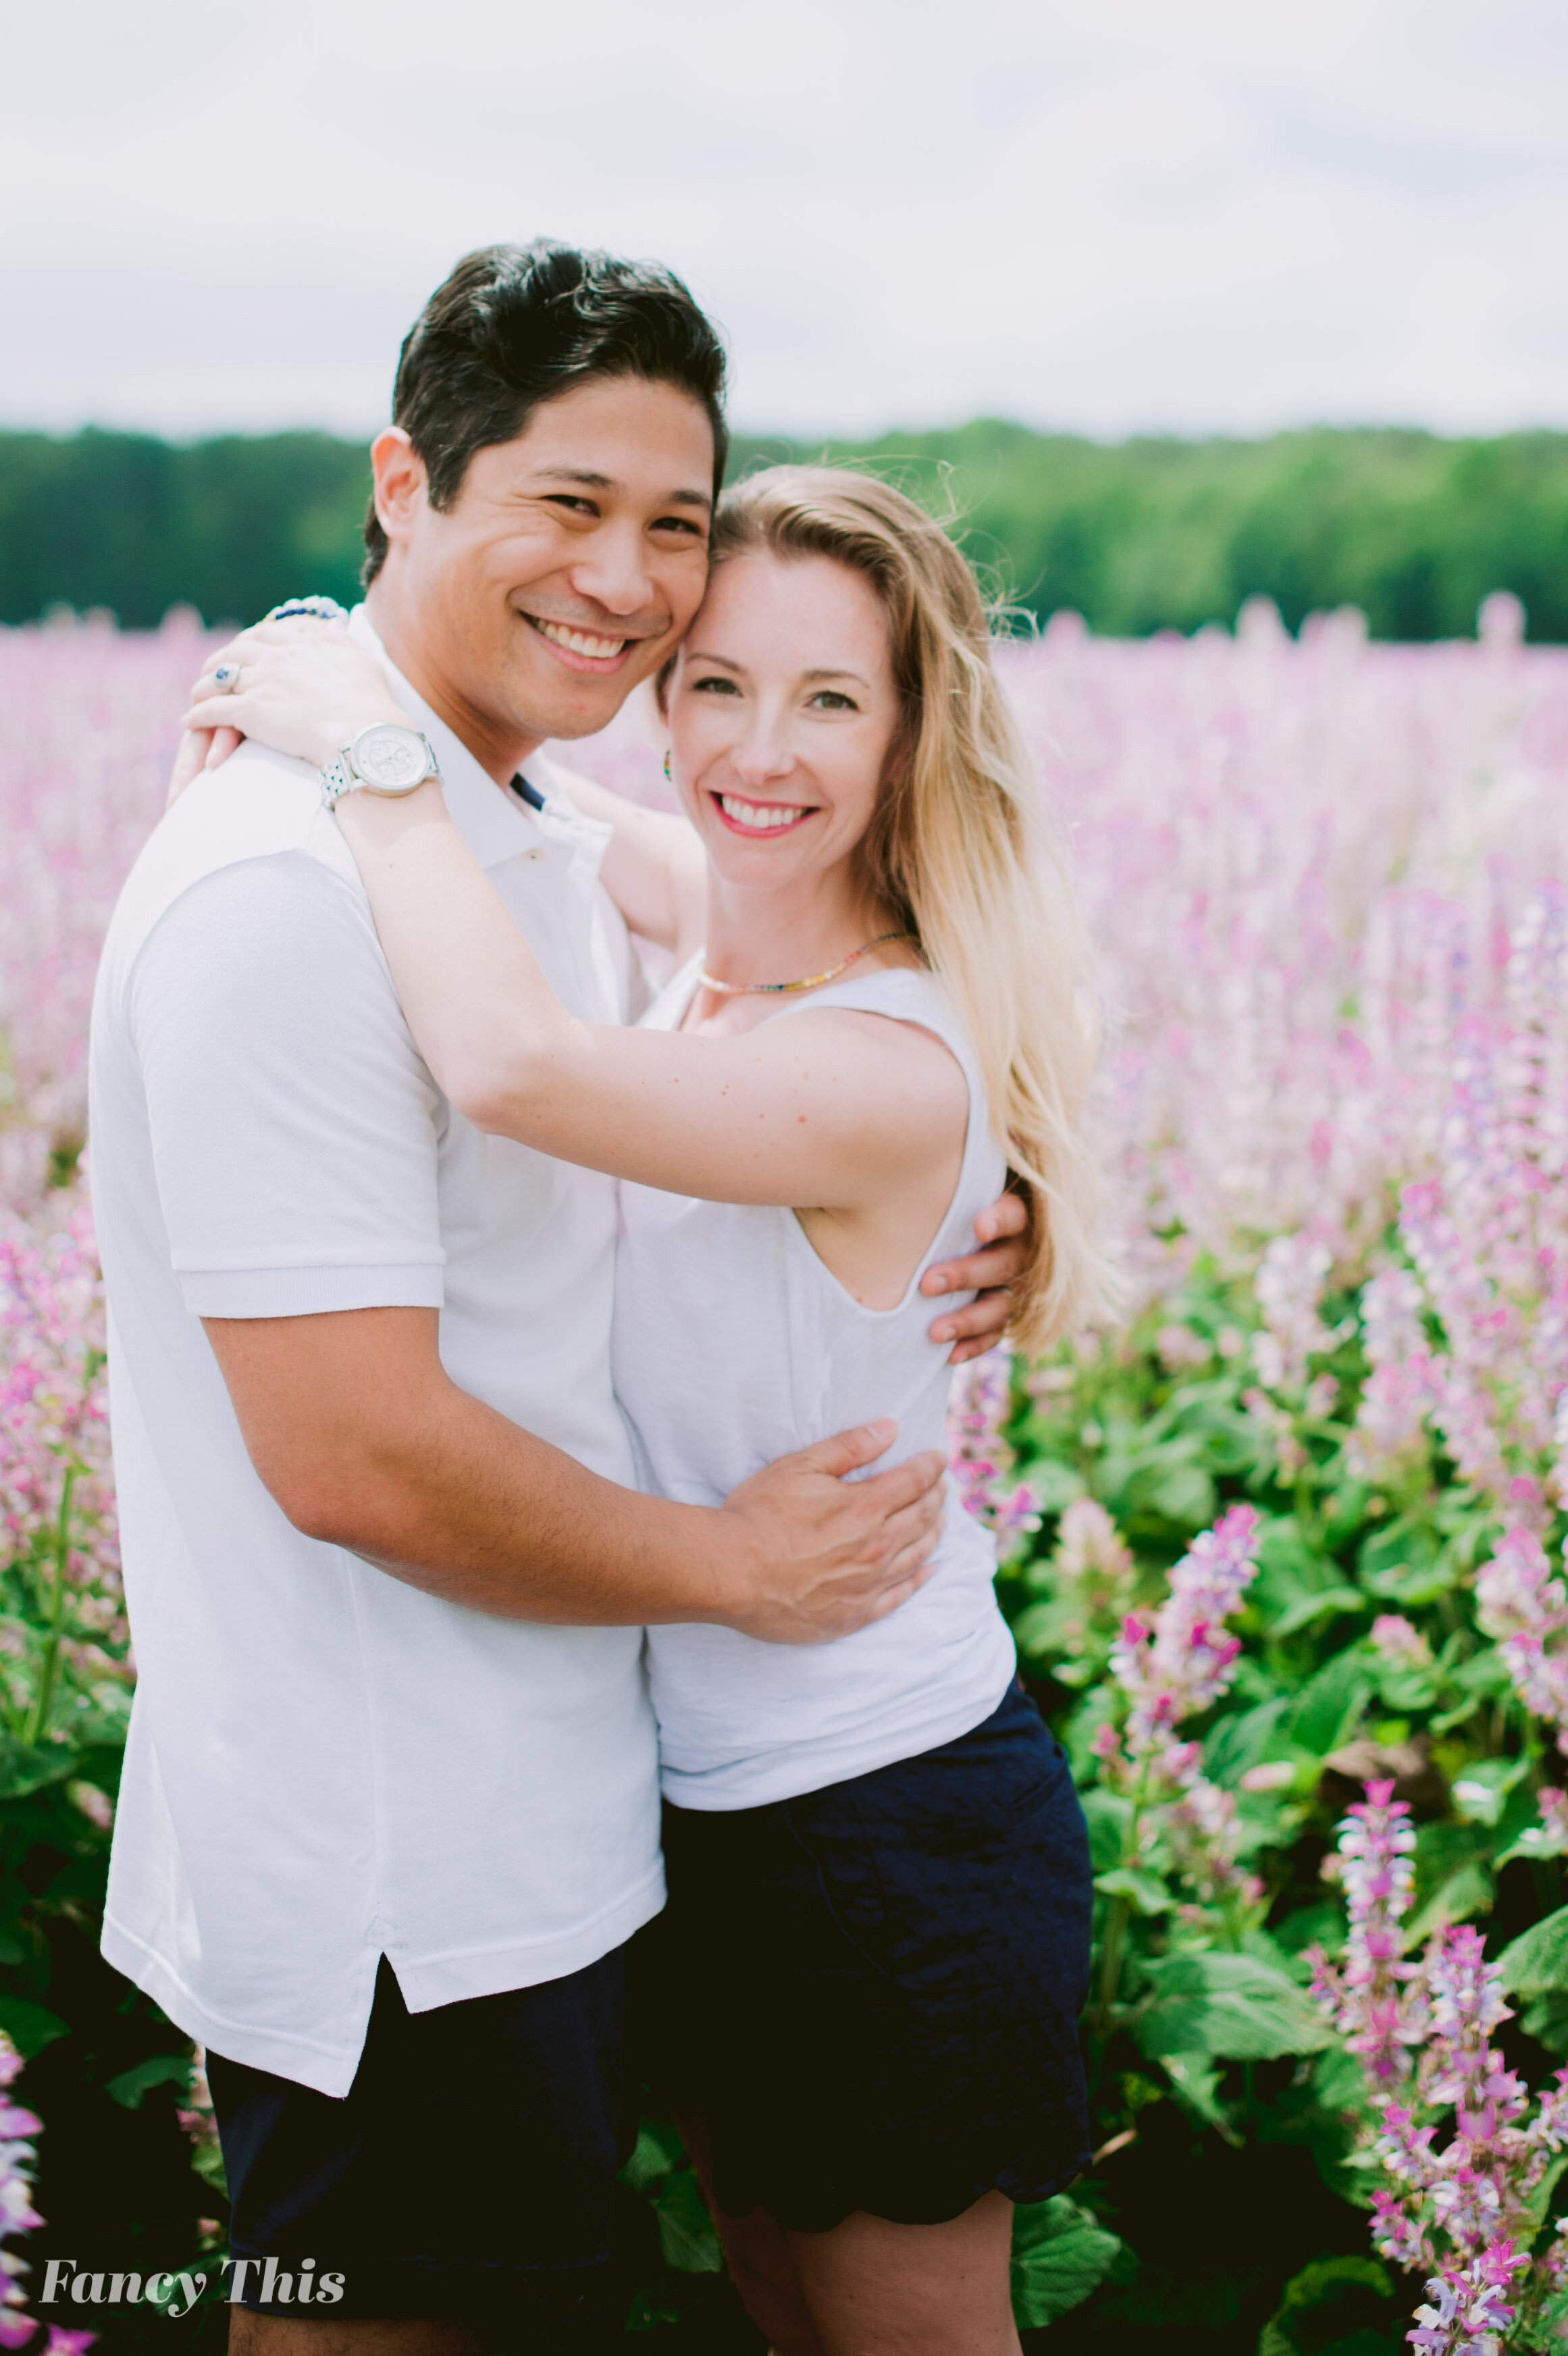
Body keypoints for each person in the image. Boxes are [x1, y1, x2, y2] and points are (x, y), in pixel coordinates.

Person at [93, 242, 1027, 2355]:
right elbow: (344, 1447)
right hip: (405, 1881)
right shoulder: (298, 879)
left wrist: (996, 1170)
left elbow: (870, 982)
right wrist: (718, 1565)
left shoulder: (486, 821)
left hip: (594, 1839)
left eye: (668, 531)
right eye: (567, 504)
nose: (626, 582)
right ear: (405, 482)